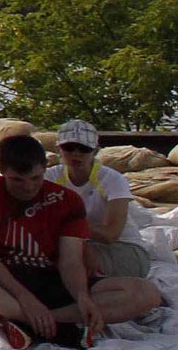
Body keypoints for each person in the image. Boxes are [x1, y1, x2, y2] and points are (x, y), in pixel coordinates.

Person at [0, 132, 163, 350]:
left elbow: (70, 261)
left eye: (35, 178)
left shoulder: (66, 200)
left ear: (45, 169)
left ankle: (34, 322)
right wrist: (26, 300)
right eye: (17, 180)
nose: (28, 187)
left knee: (146, 293)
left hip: (51, 278)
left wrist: (82, 297)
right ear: (0, 170)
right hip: (3, 280)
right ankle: (48, 322)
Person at [50, 119, 160, 280]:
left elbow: (110, 234)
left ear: (95, 152)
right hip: (78, 245)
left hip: (124, 250)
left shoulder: (112, 179)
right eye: (69, 148)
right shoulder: (50, 177)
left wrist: (70, 228)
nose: (76, 153)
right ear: (58, 149)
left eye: (83, 148)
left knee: (70, 261)